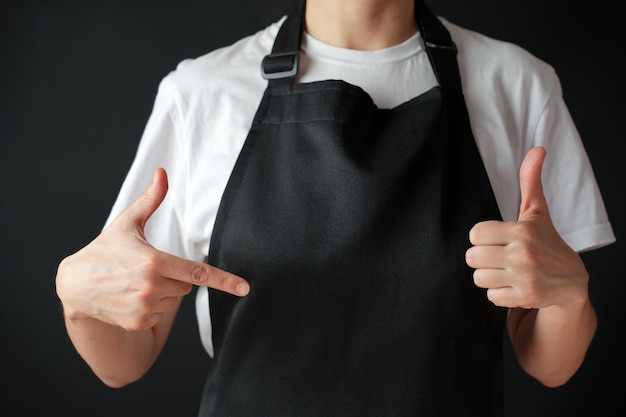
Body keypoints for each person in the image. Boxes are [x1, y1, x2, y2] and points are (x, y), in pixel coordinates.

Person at [55, 0, 616, 415]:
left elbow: (550, 364)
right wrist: (79, 303)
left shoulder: (517, 85)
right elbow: (124, 362)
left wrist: (570, 292)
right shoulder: (201, 93)